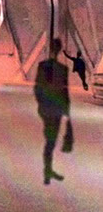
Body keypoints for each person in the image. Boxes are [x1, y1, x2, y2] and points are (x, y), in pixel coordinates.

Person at [34, 38, 70, 185]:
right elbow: (64, 92)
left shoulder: (43, 66)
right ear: (60, 50)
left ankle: (48, 170)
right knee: (51, 140)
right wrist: (66, 110)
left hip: (49, 108)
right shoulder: (63, 69)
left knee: (50, 140)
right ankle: (47, 170)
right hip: (55, 109)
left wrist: (42, 104)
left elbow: (37, 88)